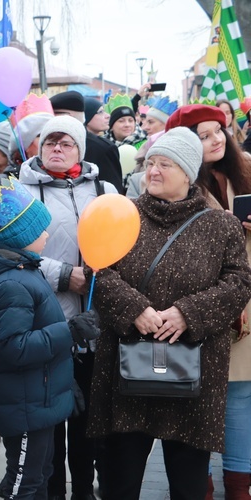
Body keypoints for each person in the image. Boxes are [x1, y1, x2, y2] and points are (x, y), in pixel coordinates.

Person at [88, 127, 251, 500]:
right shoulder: (122, 215)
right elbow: (100, 269)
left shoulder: (220, 224)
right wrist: (135, 309)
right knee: (120, 480)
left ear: (189, 172)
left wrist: (186, 314)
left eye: (165, 164)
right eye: (151, 163)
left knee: (188, 482)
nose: (153, 172)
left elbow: (240, 282)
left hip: (193, 372)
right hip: (126, 367)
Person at [17, 115, 118, 500]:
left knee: (89, 425)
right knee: (50, 426)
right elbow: (11, 253)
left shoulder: (104, 188)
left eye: (66, 143)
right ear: (39, 148)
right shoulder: (19, 191)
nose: (57, 149)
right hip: (47, 326)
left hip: (95, 327)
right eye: (50, 143)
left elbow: (122, 243)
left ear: (80, 148)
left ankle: (85, 492)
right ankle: (53, 492)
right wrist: (64, 275)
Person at [0, 177, 93, 500]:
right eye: (42, 230)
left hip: (37, 398)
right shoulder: (11, 284)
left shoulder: (28, 270)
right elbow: (17, 347)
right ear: (22, 236)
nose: (46, 235)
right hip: (25, 405)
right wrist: (70, 331)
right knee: (23, 482)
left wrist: (65, 383)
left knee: (41, 474)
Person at [164, 104, 251, 498]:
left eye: (219, 131)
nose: (216, 140)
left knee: (240, 396)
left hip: (246, 305)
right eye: (203, 135)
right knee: (199, 400)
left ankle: (238, 483)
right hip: (202, 305)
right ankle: (201, 484)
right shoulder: (175, 185)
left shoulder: (245, 170)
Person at [52, 91, 123, 193]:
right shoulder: (50, 146)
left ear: (69, 116)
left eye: (55, 115)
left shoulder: (102, 148)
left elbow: (114, 194)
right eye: (100, 112)